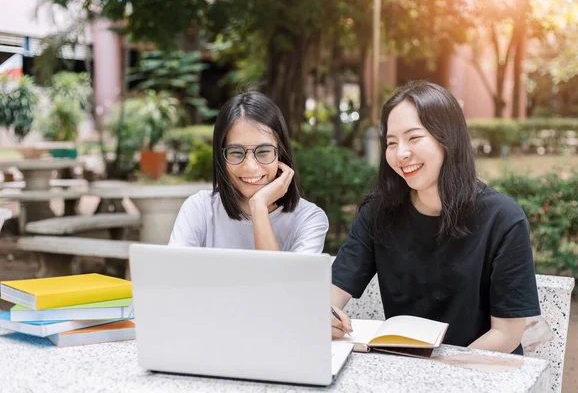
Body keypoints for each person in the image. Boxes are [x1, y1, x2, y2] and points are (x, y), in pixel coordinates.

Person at [330, 81, 540, 354]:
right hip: (406, 365)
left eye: (414, 138)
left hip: (478, 371)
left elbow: (506, 334)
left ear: (448, 138)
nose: (401, 153)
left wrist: (441, 374)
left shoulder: (502, 218)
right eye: (391, 142)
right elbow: (333, 293)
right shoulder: (378, 213)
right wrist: (326, 315)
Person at [169, 91, 328, 253]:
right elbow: (174, 273)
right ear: (220, 156)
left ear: (280, 153)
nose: (250, 167)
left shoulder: (309, 219)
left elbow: (277, 278)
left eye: (263, 152)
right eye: (236, 152)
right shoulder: (199, 209)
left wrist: (259, 207)